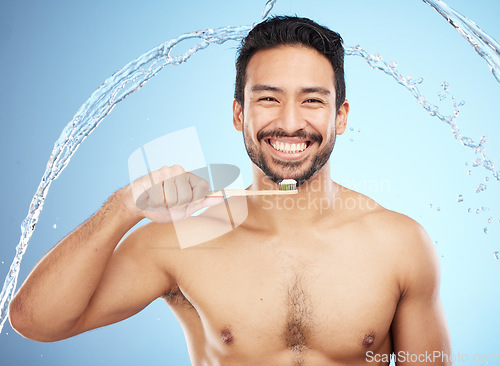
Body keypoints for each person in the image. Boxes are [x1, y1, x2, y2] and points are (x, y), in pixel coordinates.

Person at [9, 16, 452, 365]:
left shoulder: (399, 244)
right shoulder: (188, 236)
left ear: (341, 115)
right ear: (239, 113)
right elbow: (35, 321)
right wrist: (124, 207)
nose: (291, 121)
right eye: (268, 98)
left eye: (313, 99)